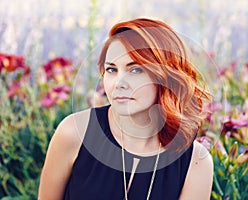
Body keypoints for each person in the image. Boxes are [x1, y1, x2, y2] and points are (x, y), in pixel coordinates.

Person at [38, 18, 213, 200]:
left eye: (136, 70)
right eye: (111, 70)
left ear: (167, 77)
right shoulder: (74, 132)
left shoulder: (196, 161)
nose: (119, 83)